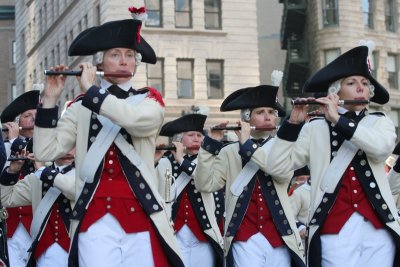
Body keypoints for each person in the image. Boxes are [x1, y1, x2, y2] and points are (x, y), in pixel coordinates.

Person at [33, 6, 183, 267]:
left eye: (129, 55)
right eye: (115, 54)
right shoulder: (80, 106)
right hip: (94, 215)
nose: (124, 61)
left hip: (142, 211)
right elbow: (46, 152)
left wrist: (93, 92)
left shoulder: (149, 101)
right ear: (99, 63)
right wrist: (50, 100)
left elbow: (133, 121)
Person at [266, 44, 400, 267]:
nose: (360, 87)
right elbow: (278, 167)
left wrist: (339, 120)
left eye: (365, 83)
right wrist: (291, 125)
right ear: (335, 92)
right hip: (333, 228)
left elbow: (381, 148)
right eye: (351, 82)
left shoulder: (380, 122)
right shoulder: (315, 128)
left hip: (379, 226)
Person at [195, 82, 305, 266]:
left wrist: (248, 146)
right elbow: (205, 184)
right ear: (247, 118)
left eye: (271, 112)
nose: (268, 117)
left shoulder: (282, 146)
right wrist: (209, 146)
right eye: (260, 112)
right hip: (244, 236)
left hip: (280, 235)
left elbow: (284, 175)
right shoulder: (229, 152)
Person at [155, 113, 224, 267]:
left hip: (203, 234)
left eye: (200, 135)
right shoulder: (164, 162)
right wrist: (153, 161)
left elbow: (204, 178)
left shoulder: (209, 161)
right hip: (174, 234)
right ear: (178, 140)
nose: (197, 139)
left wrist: (182, 161)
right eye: (191, 135)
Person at [0, 149, 76, 267]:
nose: (68, 151)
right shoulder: (37, 177)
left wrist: (43, 170)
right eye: (65, 144)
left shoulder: (86, 174)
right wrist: (12, 171)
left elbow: (72, 189)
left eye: (73, 145)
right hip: (43, 252)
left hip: (75, 249)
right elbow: (6, 198)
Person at [0, 90, 40, 267]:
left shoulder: (51, 145)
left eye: (37, 115)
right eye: (27, 115)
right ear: (16, 123)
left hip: (40, 223)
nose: (33, 119)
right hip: (13, 226)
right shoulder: (6, 148)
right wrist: (13, 141)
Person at [288, 167, 311, 242]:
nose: (305, 181)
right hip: (302, 240)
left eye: (308, 178)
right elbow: (289, 216)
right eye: (302, 179)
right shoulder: (296, 193)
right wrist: (300, 227)